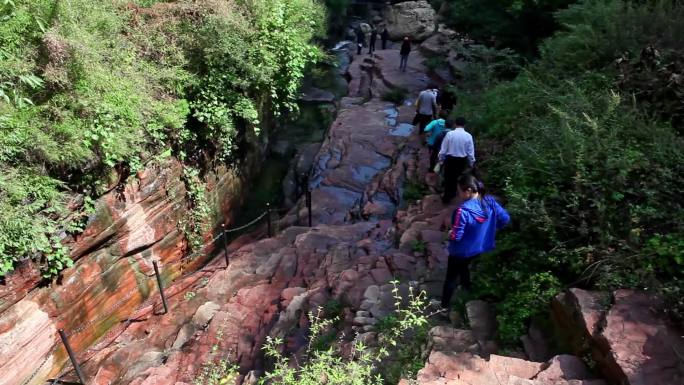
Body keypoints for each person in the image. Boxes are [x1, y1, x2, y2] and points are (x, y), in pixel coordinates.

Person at [440, 173, 510, 309]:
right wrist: (491, 229)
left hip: (460, 251)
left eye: (459, 191)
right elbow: (505, 219)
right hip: (480, 247)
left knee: (450, 278)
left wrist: (449, 233)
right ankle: (466, 290)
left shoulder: (463, 211)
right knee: (466, 266)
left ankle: (444, 307)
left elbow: (457, 236)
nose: (458, 194)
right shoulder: (489, 201)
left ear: (468, 191)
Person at [438, 117, 474, 204]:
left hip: (450, 159)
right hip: (462, 160)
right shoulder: (468, 136)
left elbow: (443, 149)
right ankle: (453, 193)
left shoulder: (450, 134)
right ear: (464, 125)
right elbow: (470, 152)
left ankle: (446, 197)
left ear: (455, 124)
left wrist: (441, 159)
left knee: (448, 178)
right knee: (457, 177)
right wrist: (471, 163)